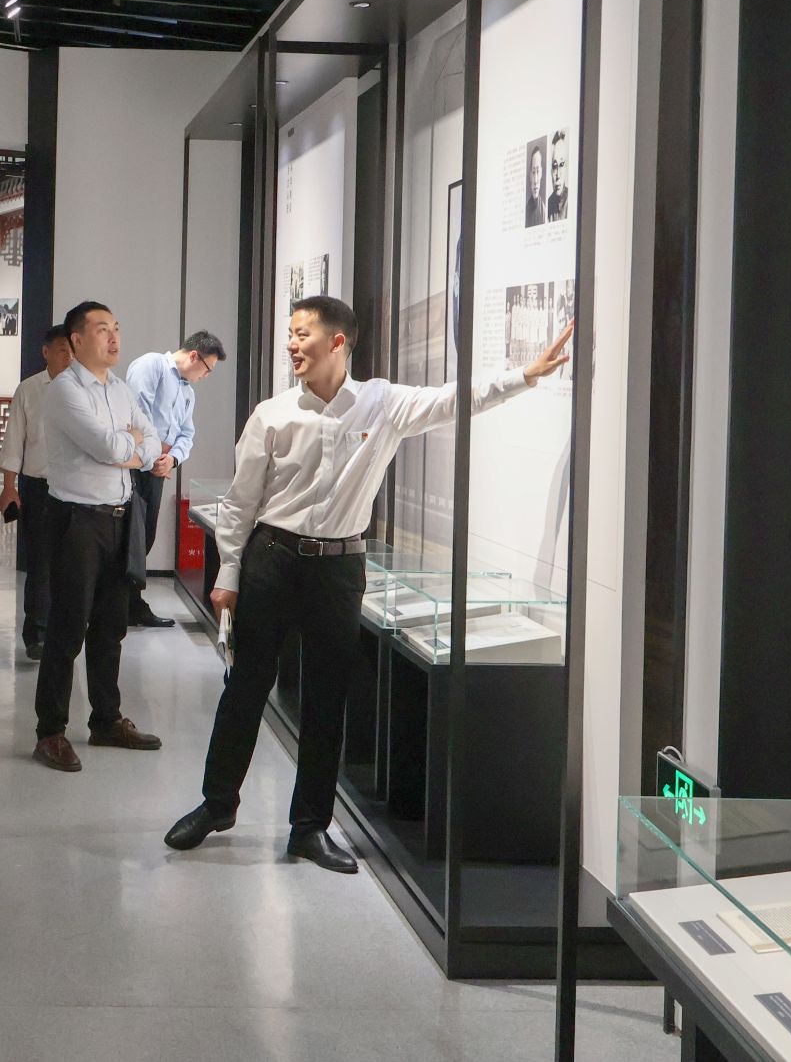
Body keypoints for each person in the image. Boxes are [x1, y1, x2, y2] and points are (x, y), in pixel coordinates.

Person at [164, 297, 573, 873]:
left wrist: (524, 376)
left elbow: (453, 399)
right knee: (246, 688)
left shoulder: (382, 403)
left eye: (302, 334)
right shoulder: (272, 414)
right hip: (272, 560)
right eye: (289, 334)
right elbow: (240, 503)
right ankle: (217, 804)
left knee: (328, 699)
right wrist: (228, 575)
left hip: (339, 570)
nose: (291, 344)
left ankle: (309, 828)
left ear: (337, 342)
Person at [32, 301, 163, 773]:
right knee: (68, 628)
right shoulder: (64, 391)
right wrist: (131, 445)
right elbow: (109, 446)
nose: (114, 337)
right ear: (77, 340)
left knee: (111, 626)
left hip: (120, 519)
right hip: (77, 522)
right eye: (102, 329)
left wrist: (134, 447)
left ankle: (106, 720)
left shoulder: (121, 389)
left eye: (116, 328)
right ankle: (50, 732)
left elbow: (153, 442)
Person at [122, 330, 226, 628]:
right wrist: (155, 455)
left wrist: (172, 459)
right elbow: (137, 415)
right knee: (129, 539)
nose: (206, 376)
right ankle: (120, 604)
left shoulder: (187, 392)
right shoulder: (152, 365)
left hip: (157, 467)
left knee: (146, 536)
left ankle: (131, 603)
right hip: (133, 465)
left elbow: (186, 434)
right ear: (194, 356)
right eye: (207, 369)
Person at [0, 325, 72, 661]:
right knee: (40, 563)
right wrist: (8, 487)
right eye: (62, 350)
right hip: (38, 487)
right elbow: (14, 440)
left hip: (75, 489)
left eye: (72, 350)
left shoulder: (87, 389)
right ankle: (37, 634)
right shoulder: (29, 390)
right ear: (46, 352)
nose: (68, 357)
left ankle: (65, 631)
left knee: (71, 564)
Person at [547, 132, 571, 222]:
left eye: (561, 165)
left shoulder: (571, 199)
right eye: (554, 166)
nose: (557, 175)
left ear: (566, 167)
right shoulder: (548, 205)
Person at [525, 141, 548, 228]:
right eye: (533, 172)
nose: (535, 180)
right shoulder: (525, 210)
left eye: (538, 171)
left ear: (541, 173)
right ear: (530, 175)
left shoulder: (544, 212)